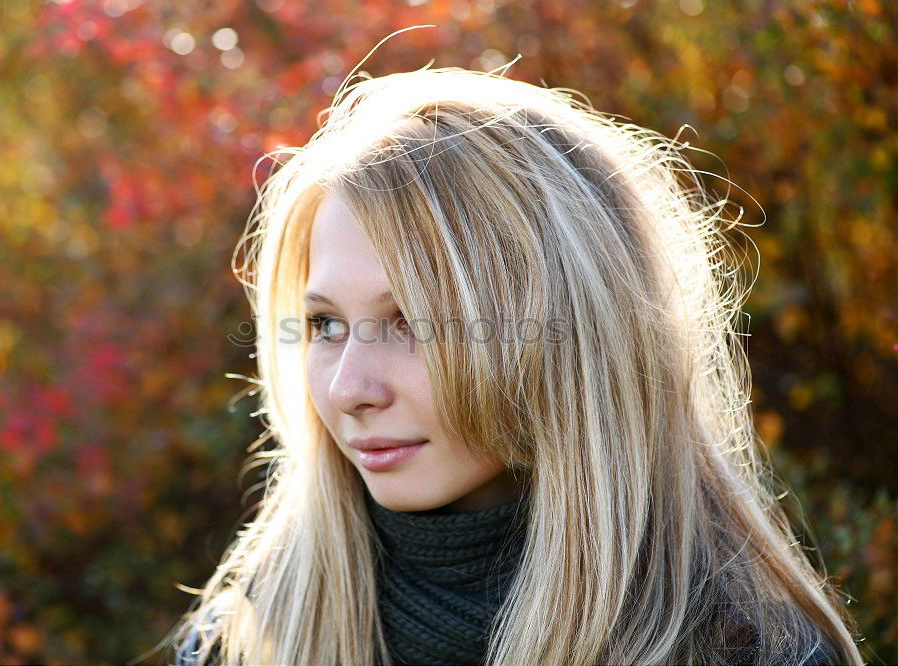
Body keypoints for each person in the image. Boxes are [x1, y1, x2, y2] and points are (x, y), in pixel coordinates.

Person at [166, 64, 864, 665]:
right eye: (325, 324)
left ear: (574, 339)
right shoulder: (242, 643)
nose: (349, 388)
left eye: (413, 321)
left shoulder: (749, 651)